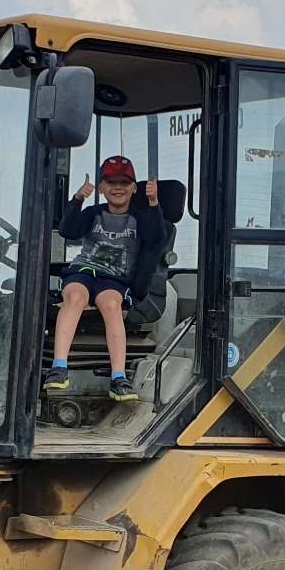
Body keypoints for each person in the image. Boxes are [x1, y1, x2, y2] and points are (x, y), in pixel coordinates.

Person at [45, 155, 168, 402]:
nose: (118, 188)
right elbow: (68, 230)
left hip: (113, 279)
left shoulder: (140, 218)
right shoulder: (93, 213)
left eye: (124, 182)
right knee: (75, 297)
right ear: (101, 187)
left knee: (112, 305)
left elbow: (156, 237)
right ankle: (59, 367)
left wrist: (154, 202)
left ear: (135, 188)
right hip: (82, 271)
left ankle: (118, 378)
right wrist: (78, 199)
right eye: (111, 182)